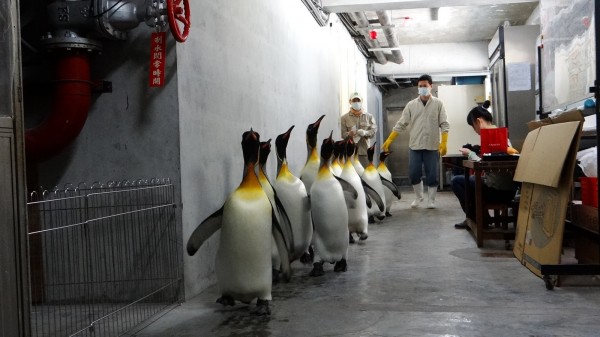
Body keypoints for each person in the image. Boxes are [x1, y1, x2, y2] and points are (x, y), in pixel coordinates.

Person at [381, 74, 449, 209]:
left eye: (425, 86)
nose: (422, 88)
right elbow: (401, 123)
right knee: (413, 174)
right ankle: (419, 197)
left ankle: (431, 200)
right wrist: (390, 139)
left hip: (432, 145)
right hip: (415, 146)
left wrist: (444, 142)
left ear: (431, 86)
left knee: (432, 175)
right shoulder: (411, 105)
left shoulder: (438, 104)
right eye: (420, 86)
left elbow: (444, 124)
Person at [452, 105, 519, 229]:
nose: (475, 130)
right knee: (469, 180)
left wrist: (470, 154)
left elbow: (486, 165)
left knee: (457, 181)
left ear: (478, 121)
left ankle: (477, 218)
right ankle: (479, 217)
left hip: (498, 190)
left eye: (473, 126)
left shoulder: (495, 137)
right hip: (505, 188)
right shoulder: (501, 137)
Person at [340, 92, 378, 167]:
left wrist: (365, 133)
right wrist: (349, 134)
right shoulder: (344, 118)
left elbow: (373, 131)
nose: (356, 102)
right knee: (351, 175)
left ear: (361, 101)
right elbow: (343, 135)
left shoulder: (369, 117)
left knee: (365, 173)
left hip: (364, 152)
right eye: (354, 100)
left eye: (358, 100)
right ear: (350, 102)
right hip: (350, 153)